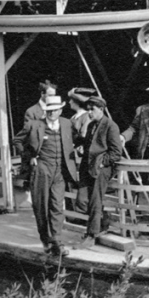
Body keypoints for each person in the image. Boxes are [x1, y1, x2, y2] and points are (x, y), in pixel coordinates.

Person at [13, 94, 77, 257]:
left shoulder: (67, 123)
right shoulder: (34, 125)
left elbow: (77, 138)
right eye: (49, 110)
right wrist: (29, 157)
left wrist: (77, 149)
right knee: (41, 206)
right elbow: (17, 141)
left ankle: (57, 242)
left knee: (57, 205)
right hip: (41, 168)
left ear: (60, 110)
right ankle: (46, 240)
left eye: (55, 110)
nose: (51, 113)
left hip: (59, 171)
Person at [80, 95, 123, 247]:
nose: (89, 113)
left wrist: (102, 163)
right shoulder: (91, 126)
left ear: (102, 109)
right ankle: (103, 220)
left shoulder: (111, 126)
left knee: (94, 200)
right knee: (81, 201)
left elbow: (116, 152)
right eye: (88, 109)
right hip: (87, 167)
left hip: (102, 169)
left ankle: (91, 234)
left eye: (93, 109)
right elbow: (88, 147)